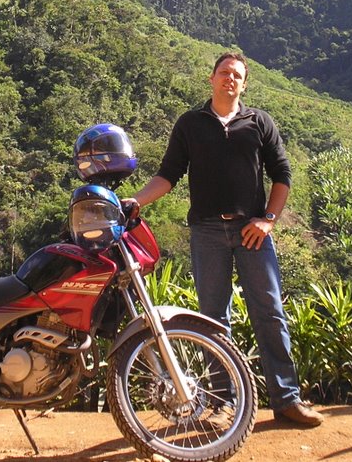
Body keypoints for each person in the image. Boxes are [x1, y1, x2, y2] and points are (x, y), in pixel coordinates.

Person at [122, 51, 323, 427]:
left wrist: (268, 220)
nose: (230, 79)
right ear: (212, 79)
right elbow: (169, 174)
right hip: (208, 231)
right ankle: (221, 404)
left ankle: (286, 400)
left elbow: (283, 175)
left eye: (237, 75)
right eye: (224, 73)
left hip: (252, 232)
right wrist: (136, 200)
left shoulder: (259, 122)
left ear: (244, 84)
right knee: (213, 320)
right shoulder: (190, 124)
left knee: (270, 313)